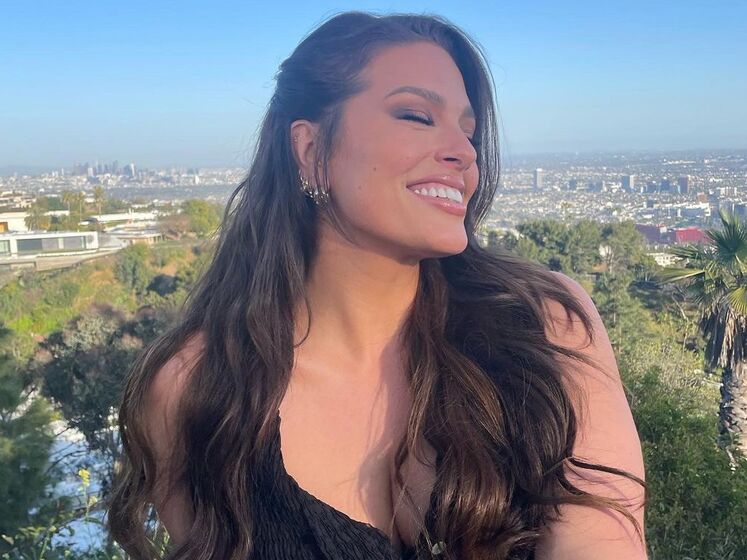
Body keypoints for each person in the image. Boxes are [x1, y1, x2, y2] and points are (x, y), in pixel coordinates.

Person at [108, 10, 647, 560]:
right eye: (416, 116)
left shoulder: (546, 326)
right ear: (311, 151)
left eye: (468, 131)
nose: (464, 152)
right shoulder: (196, 392)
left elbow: (600, 542)